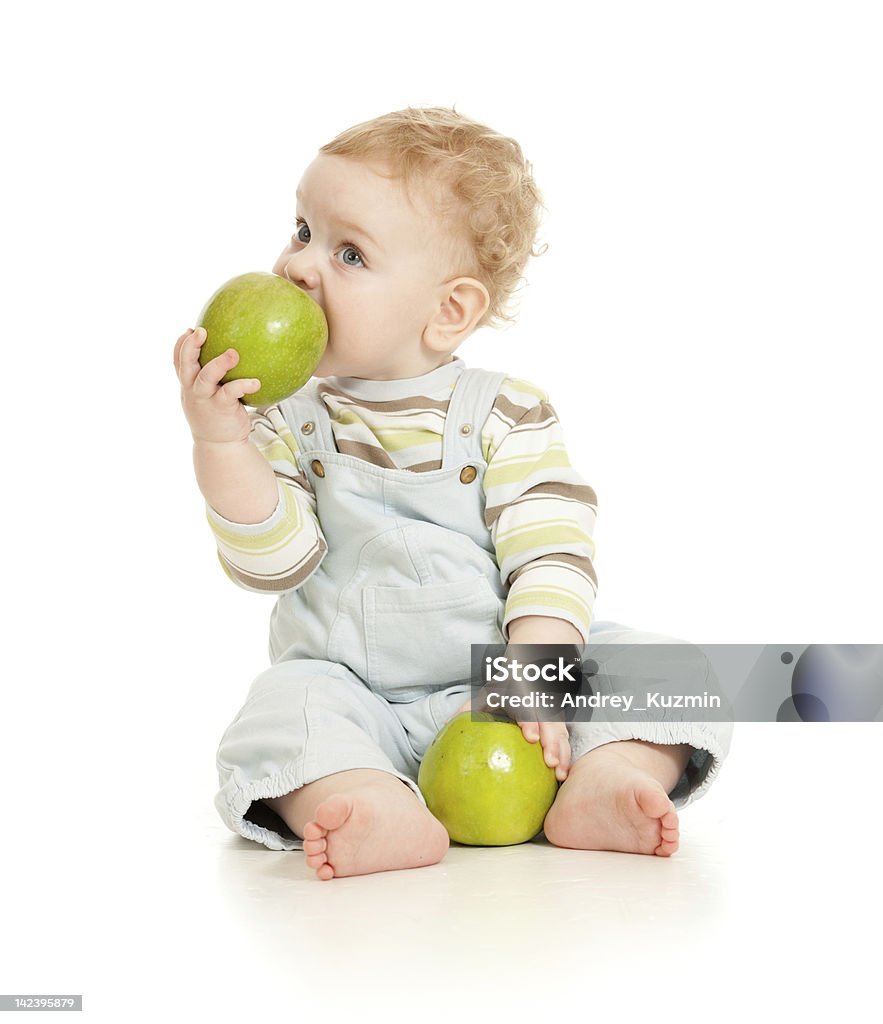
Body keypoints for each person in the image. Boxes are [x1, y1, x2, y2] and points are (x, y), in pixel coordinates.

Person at [174, 106, 732, 881]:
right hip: (353, 693)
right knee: (280, 712)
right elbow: (277, 564)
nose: (299, 267)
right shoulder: (286, 421)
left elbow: (550, 553)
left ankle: (610, 774)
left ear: (449, 311)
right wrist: (222, 444)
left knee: (679, 673)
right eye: (302, 231)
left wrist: (536, 672)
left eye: (348, 253)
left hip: (505, 685)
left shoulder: (507, 415)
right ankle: (365, 796)